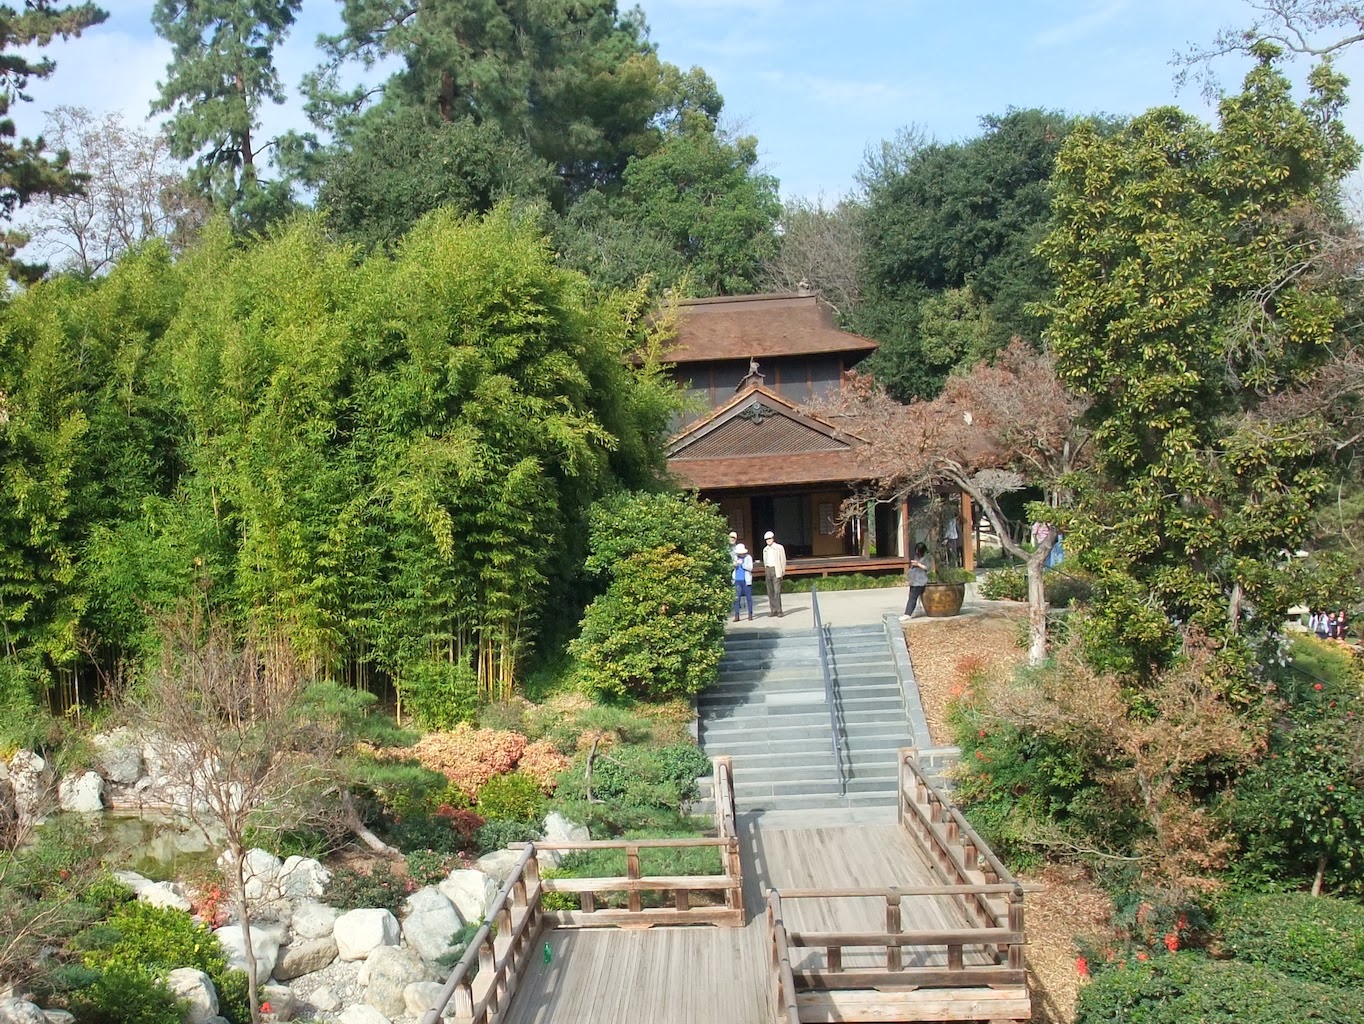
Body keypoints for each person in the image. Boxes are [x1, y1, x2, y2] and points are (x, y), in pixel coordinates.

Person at [902, 543, 931, 620]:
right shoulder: (916, 556)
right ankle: (908, 613)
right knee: (912, 597)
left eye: (919, 551)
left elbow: (927, 568)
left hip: (920, 581)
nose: (917, 553)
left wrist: (918, 564)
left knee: (912, 597)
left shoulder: (927, 557)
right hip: (914, 580)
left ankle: (907, 614)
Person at [763, 530, 787, 617]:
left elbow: (783, 560)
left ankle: (779, 610)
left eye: (769, 538)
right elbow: (765, 561)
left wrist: (782, 571)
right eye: (766, 539)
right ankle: (773, 610)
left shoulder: (779, 547)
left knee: (777, 591)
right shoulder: (765, 549)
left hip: (776, 569)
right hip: (768, 569)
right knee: (770, 591)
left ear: (773, 538)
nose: (768, 540)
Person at [732, 543, 754, 621]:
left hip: (746, 580)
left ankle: (750, 614)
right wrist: (735, 564)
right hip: (737, 580)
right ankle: (737, 615)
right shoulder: (735, 557)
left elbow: (750, 568)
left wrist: (743, 564)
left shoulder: (748, 557)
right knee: (736, 599)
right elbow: (732, 567)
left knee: (749, 598)